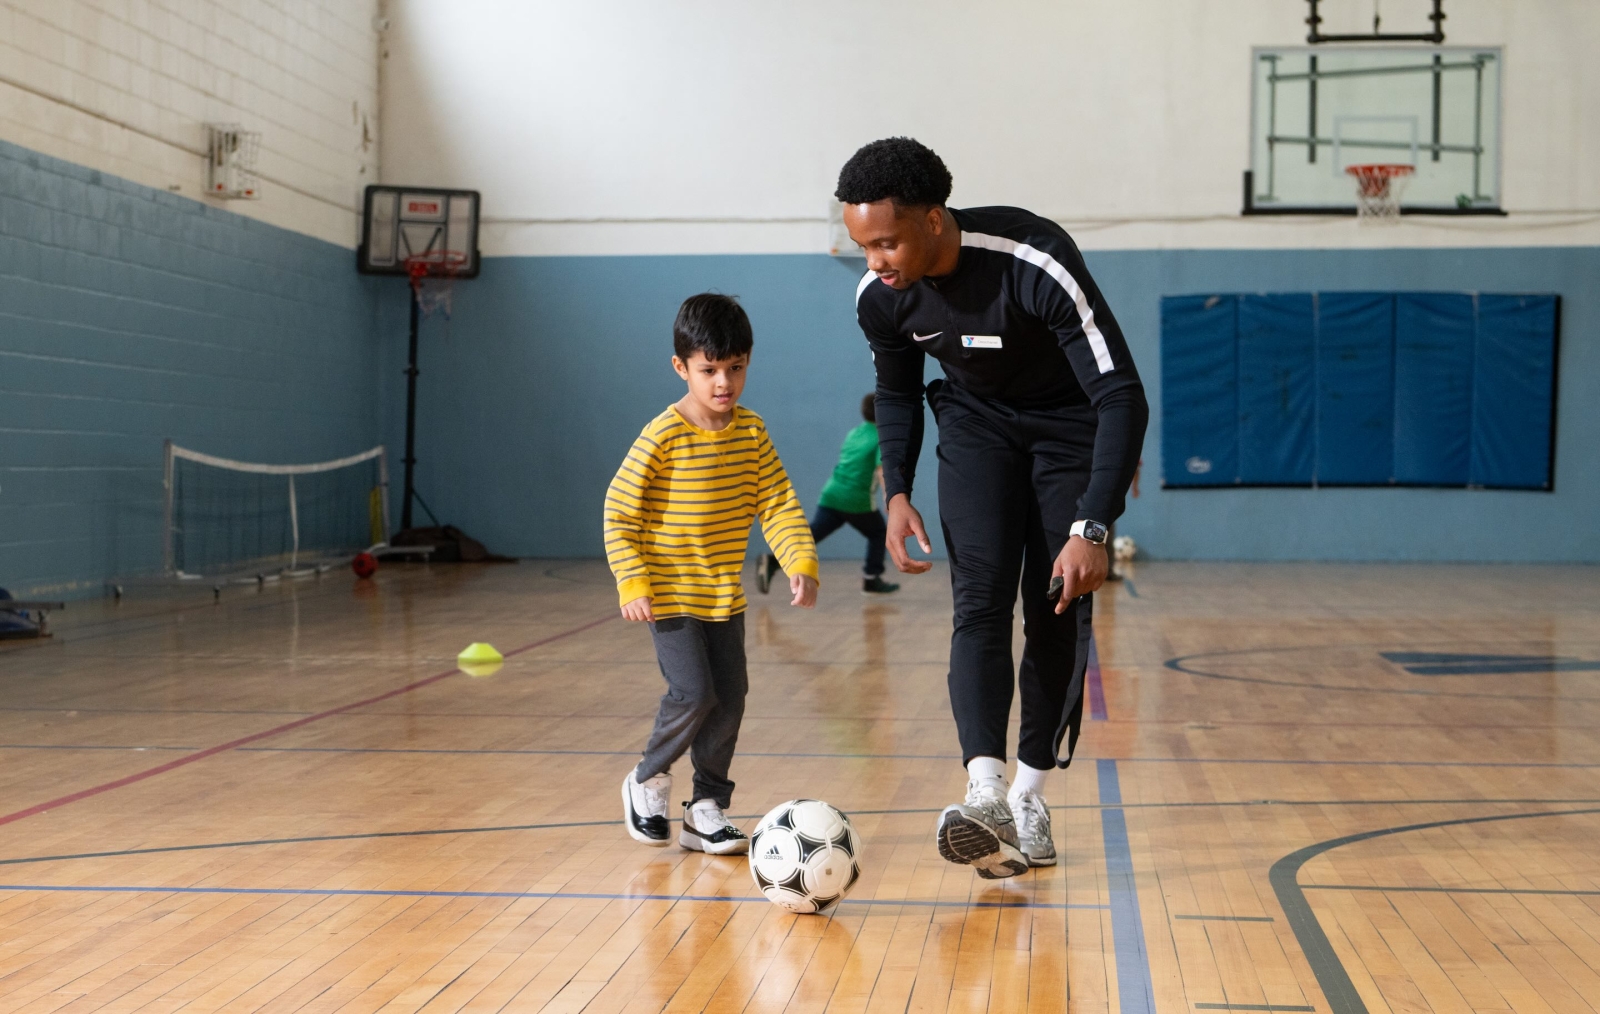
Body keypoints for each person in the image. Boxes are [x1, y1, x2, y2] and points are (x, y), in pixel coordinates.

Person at [837, 138, 1148, 878]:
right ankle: (984, 795)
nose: (875, 261)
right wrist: (900, 488)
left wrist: (1093, 525)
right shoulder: (882, 297)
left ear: (934, 220)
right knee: (977, 601)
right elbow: (897, 390)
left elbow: (1121, 395)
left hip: (1068, 428)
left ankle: (1030, 793)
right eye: (862, 246)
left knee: (1054, 605)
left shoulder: (1034, 259)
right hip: (976, 427)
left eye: (886, 242)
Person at [604, 293, 820, 854]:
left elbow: (777, 503)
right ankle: (647, 778)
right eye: (709, 371)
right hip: (670, 594)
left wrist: (799, 559)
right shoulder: (663, 435)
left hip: (723, 595)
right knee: (694, 692)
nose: (723, 382)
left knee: (731, 697)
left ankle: (707, 808)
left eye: (735, 368)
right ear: (682, 368)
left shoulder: (751, 434)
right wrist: (633, 581)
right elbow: (619, 511)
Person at [758, 393, 900, 596]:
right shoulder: (880, 436)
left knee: (812, 536)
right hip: (855, 499)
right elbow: (881, 470)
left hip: (832, 492)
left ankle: (772, 560)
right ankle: (871, 579)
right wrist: (891, 499)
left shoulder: (855, 433)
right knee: (879, 533)